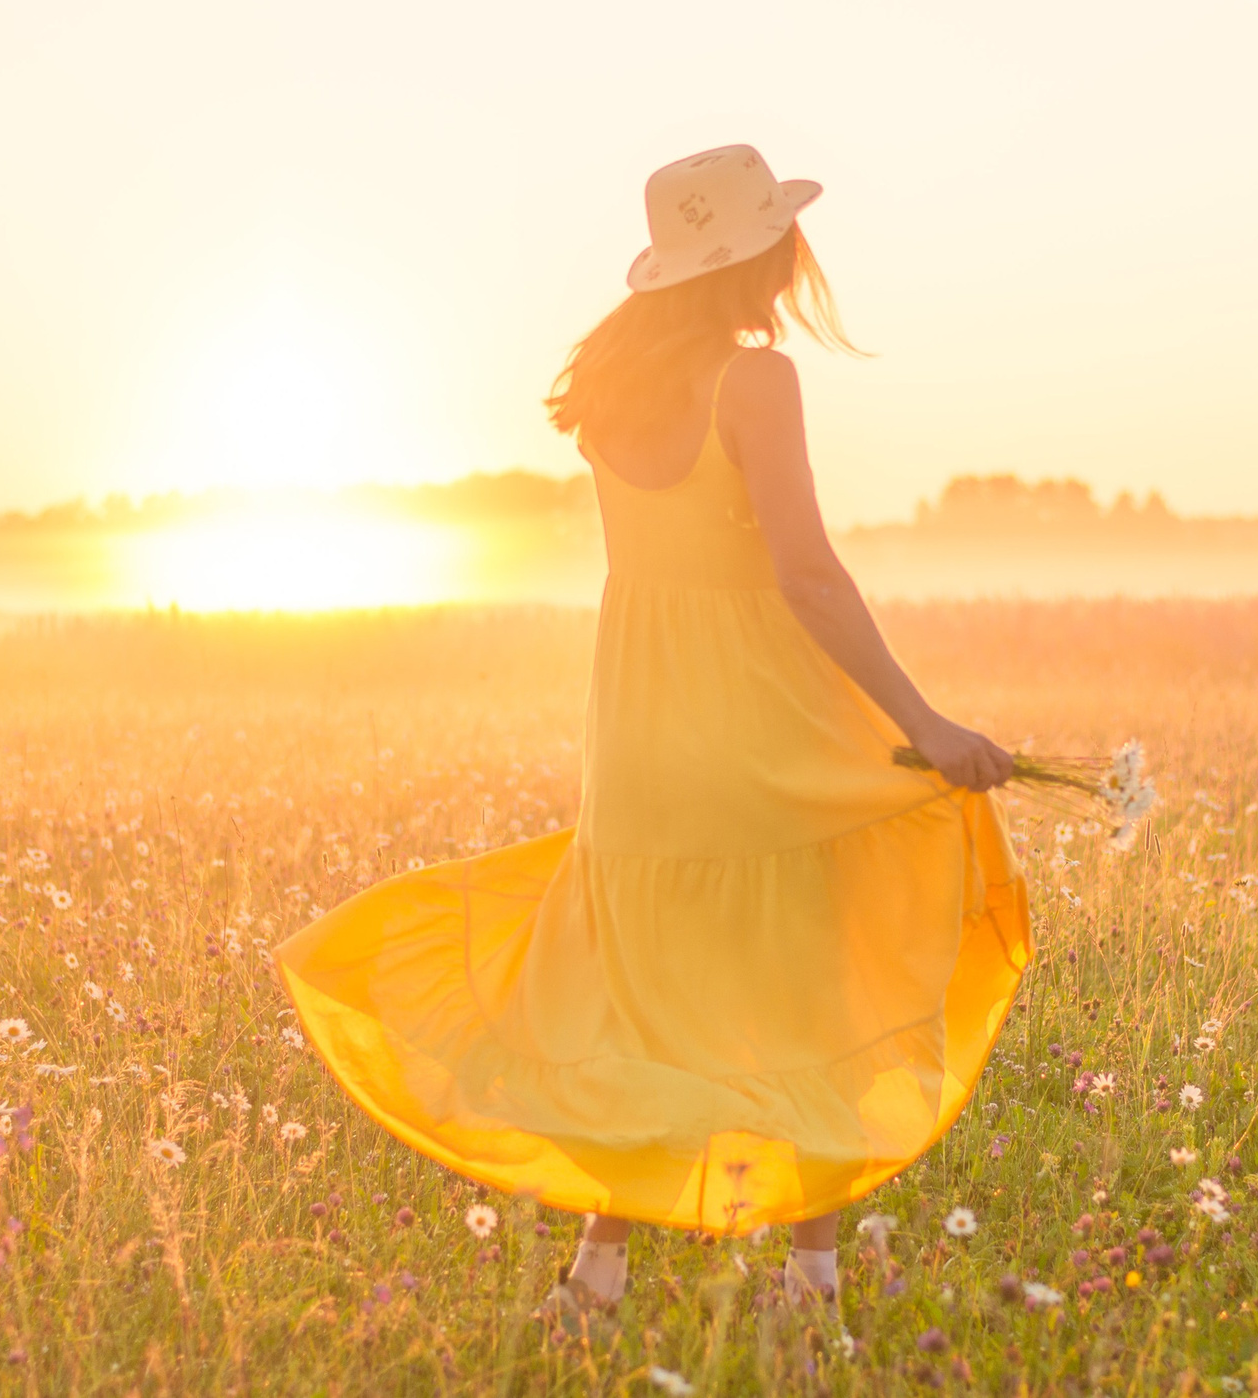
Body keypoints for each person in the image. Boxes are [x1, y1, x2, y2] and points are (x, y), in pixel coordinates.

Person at [276, 143, 1031, 1318]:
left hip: (638, 727)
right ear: (762, 252)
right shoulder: (755, 380)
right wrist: (923, 719)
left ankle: (596, 1276)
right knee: (810, 987)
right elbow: (806, 574)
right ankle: (809, 1286)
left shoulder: (611, 387)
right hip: (761, 717)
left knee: (640, 996)